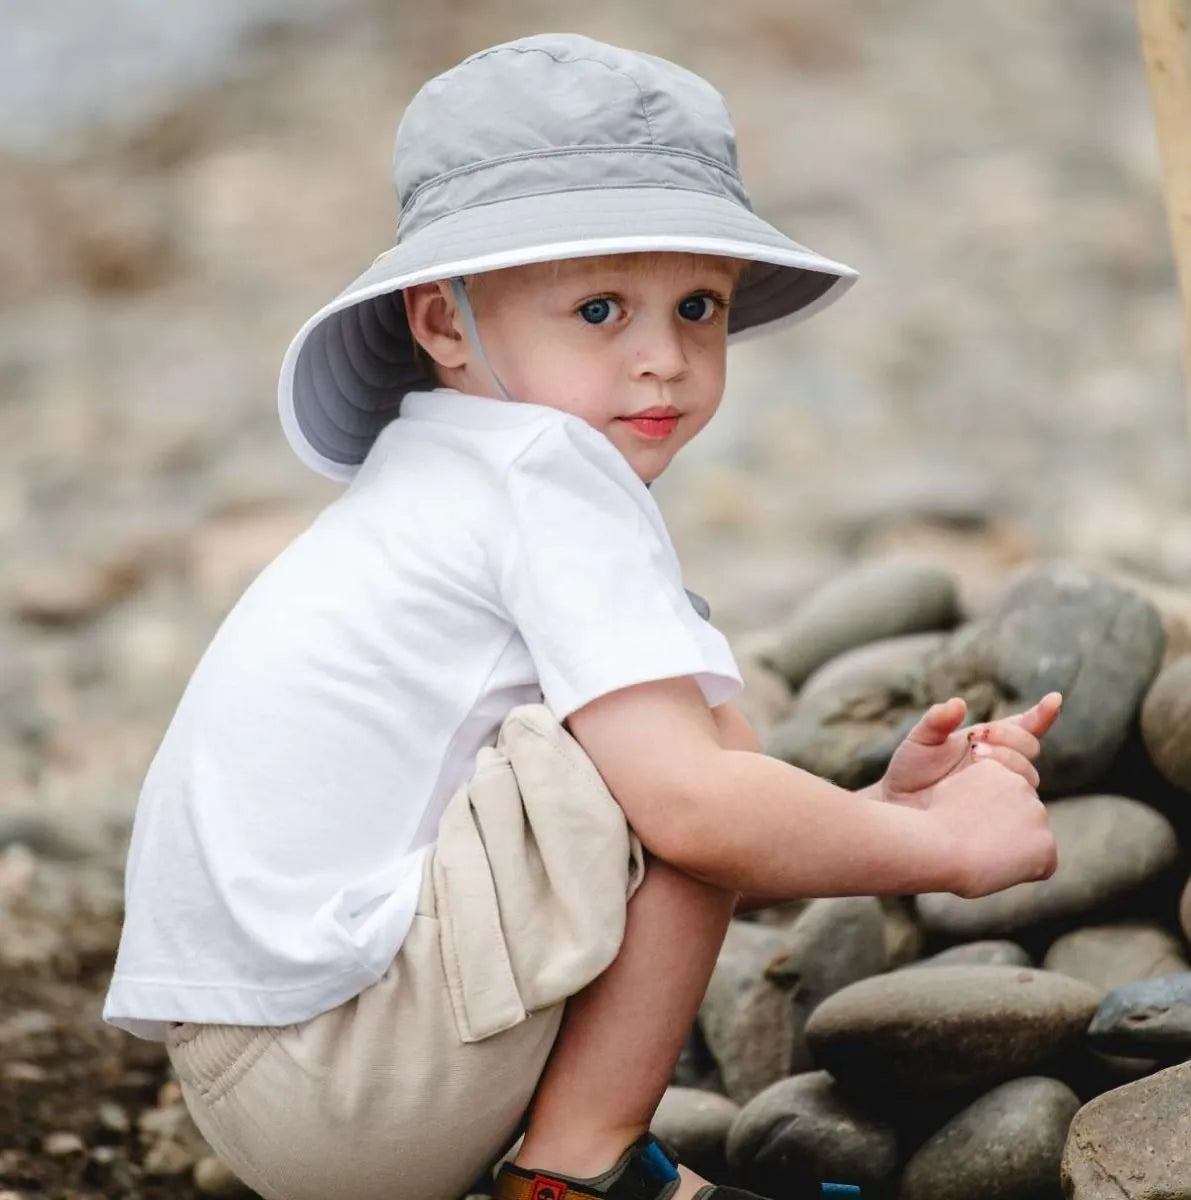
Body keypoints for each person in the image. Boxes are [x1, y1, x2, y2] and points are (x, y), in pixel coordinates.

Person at [102, 32, 1060, 1200]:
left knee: (669, 747)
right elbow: (693, 815)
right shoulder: (543, 473)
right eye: (600, 308)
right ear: (443, 323)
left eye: (697, 306)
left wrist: (870, 817)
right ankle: (576, 1170)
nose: (664, 360)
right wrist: (946, 850)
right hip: (350, 1078)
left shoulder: (437, 469)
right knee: (673, 769)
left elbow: (703, 831)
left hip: (269, 1075)